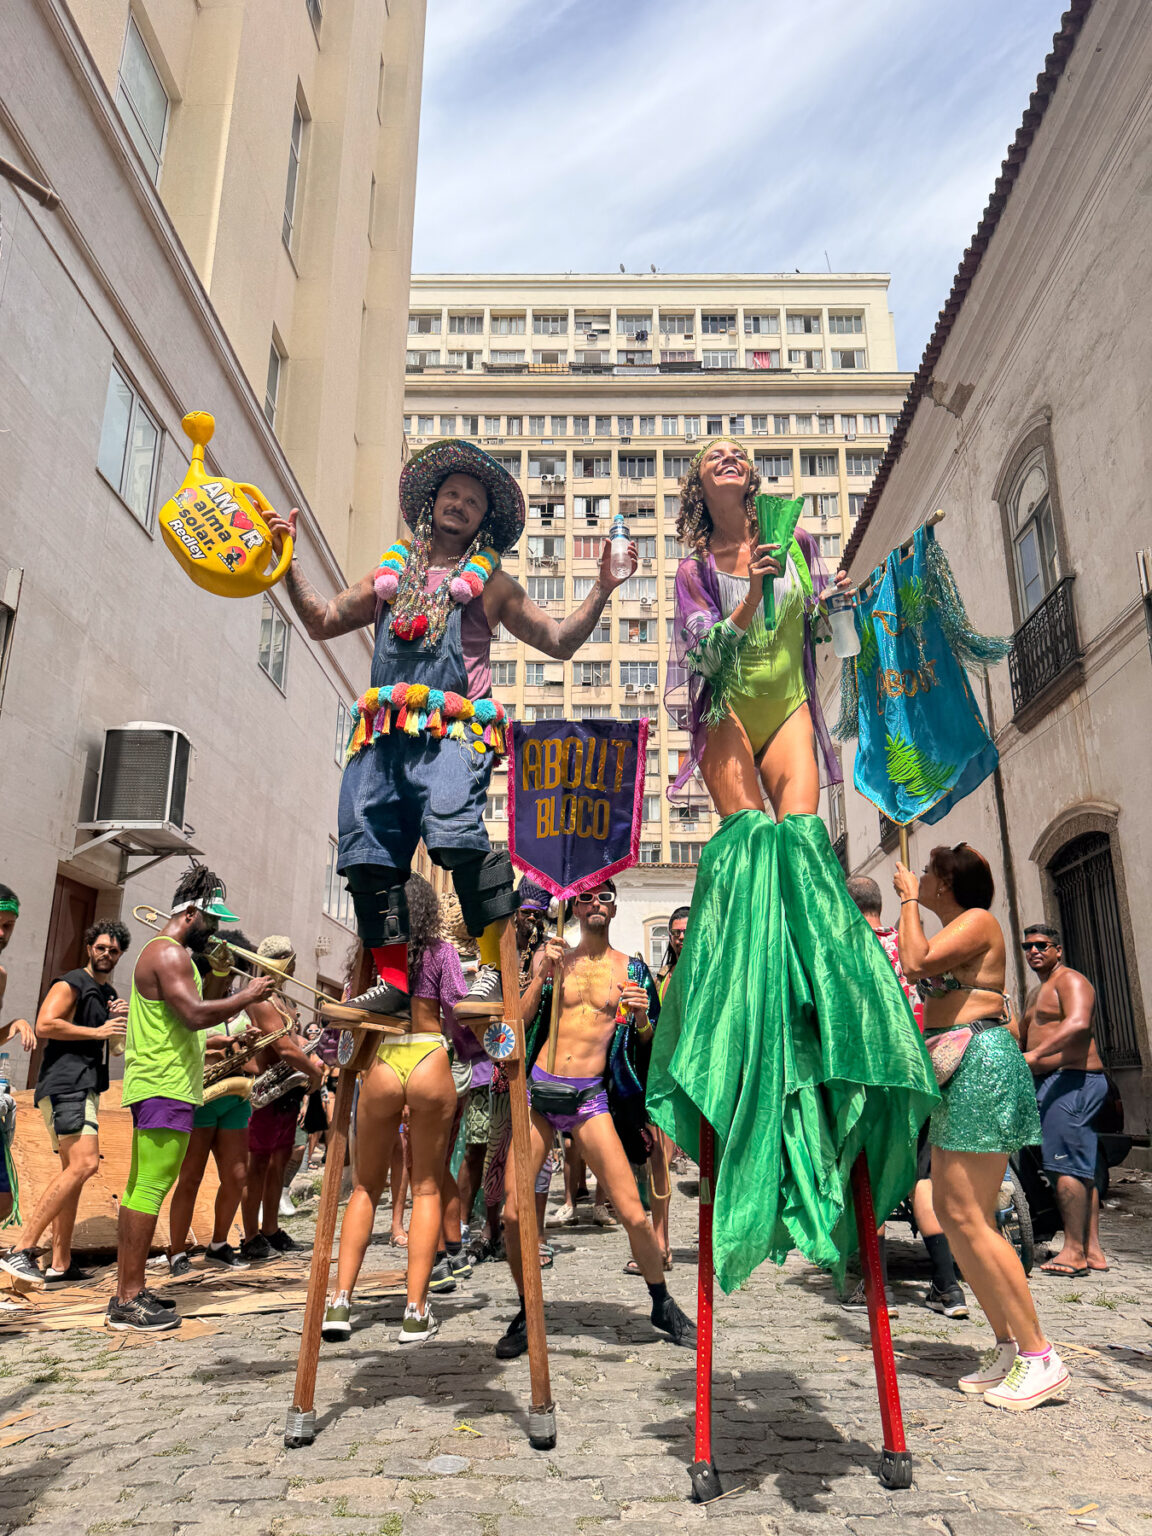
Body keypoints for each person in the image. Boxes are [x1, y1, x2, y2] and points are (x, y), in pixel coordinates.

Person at [649, 440, 938, 1298]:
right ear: (699, 485)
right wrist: (752, 595)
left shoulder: (798, 541)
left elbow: (821, 635)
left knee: (806, 846)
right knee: (748, 846)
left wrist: (832, 602)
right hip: (731, 711)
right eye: (714, 454)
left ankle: (831, 993)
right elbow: (703, 658)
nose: (730, 456)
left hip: (790, 707)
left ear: (752, 478)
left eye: (738, 452)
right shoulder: (695, 570)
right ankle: (739, 993)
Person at [265, 438, 637, 1033]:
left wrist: (604, 587)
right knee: (365, 851)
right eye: (452, 494)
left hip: (454, 734)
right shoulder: (388, 577)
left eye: (472, 501)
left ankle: (491, 968)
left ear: (482, 519)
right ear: (432, 502)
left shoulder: (494, 585)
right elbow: (322, 620)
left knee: (456, 835)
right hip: (383, 736)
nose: (459, 504)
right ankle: (393, 983)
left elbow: (560, 642)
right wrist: (286, 564)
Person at [895, 844, 1068, 1410]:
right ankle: (1009, 1345)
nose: (919, 876)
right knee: (952, 1214)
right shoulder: (955, 928)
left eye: (928, 873)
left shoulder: (977, 921)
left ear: (946, 883)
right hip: (955, 1067)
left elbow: (915, 962)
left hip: (981, 1064)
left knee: (971, 1215)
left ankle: (1041, 1355)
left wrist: (908, 901)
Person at [494, 879, 694, 1360]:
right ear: (575, 907)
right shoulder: (555, 959)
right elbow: (518, 1021)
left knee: (632, 1213)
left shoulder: (633, 969)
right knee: (514, 1214)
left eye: (605, 897)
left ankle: (661, 1302)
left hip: (589, 1099)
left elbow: (650, 1043)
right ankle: (527, 1307)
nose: (596, 903)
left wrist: (642, 1020)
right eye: (586, 897)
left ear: (615, 907)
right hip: (540, 1093)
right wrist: (540, 975)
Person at [108, 867, 276, 1332]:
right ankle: (128, 1298)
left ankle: (130, 1290)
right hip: (164, 1084)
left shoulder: (169, 954)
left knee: (141, 1186)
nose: (215, 929)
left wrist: (221, 979)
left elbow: (195, 1015)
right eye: (212, 919)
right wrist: (248, 995)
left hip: (163, 1082)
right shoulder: (169, 953)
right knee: (150, 1188)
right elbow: (195, 1014)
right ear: (191, 913)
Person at [322, 875, 464, 1346]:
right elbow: (458, 1009)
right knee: (426, 1187)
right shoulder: (441, 953)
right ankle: (415, 1311)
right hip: (428, 1055)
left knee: (365, 1187)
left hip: (383, 1060)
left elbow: (351, 1011)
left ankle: (340, 1302)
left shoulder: (373, 955)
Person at [843, 876, 967, 1320]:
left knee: (872, 1180)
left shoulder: (846, 951)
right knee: (921, 1180)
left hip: (873, 1080)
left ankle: (877, 1292)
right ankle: (947, 1288)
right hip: (923, 1076)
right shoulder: (914, 948)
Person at [1, 921, 131, 1287]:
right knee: (85, 1164)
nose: (106, 954)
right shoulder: (72, 982)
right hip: (67, 1085)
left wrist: (116, 1019)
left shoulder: (107, 993)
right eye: (101, 947)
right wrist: (97, 1030)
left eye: (114, 950)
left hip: (85, 1085)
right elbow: (45, 1024)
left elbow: (115, 1047)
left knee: (72, 1172)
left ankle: (60, 1262)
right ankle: (22, 1249)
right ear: (89, 947)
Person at [1020, 924, 1109, 1277]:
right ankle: (1091, 1250)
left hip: (1072, 1081)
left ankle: (1073, 1252)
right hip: (1055, 1082)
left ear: (1058, 950)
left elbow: (1078, 1023)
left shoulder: (1071, 980)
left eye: (1042, 945)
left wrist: (1036, 1054)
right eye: (1027, 946)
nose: (1034, 951)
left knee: (1064, 1167)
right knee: (1079, 1168)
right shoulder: (1039, 990)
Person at [239, 937, 324, 1261]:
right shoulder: (261, 999)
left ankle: (271, 1228)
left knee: (278, 1162)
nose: (295, 967)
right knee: (258, 1165)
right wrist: (314, 1073)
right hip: (264, 1091)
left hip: (284, 1091)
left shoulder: (282, 999)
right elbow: (284, 1049)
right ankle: (251, 1235)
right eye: (291, 961)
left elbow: (292, 1041)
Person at [0, 885, 35, 1226]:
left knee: (3, 1198)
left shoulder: (1, 976)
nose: (2, 932)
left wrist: (13, 1025)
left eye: (8, 926)